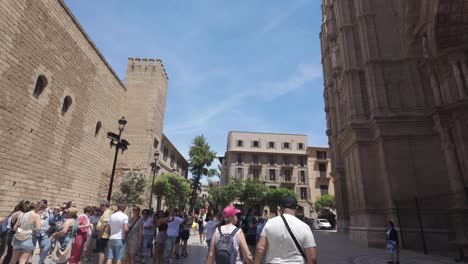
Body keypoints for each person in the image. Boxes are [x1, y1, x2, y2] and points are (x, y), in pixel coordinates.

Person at [254, 196, 317, 264]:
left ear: (280, 208)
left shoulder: (269, 223)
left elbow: (260, 248)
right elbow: (312, 257)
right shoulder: (304, 227)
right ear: (296, 208)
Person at [36, 200, 52, 264]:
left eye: (43, 204)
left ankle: (41, 261)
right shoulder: (37, 211)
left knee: (44, 247)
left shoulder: (49, 212)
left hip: (43, 233)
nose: (41, 205)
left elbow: (52, 221)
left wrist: (49, 226)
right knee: (31, 248)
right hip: (36, 232)